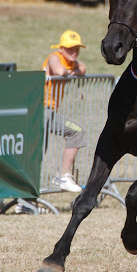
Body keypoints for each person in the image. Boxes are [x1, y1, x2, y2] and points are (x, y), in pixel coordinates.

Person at [42, 30, 87, 192]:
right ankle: (25, 197)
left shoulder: (70, 62)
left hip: (49, 112)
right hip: (39, 110)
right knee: (37, 153)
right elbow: (60, 71)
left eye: (77, 49)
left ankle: (63, 175)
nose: (74, 52)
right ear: (61, 48)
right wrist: (72, 71)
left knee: (77, 131)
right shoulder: (54, 57)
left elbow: (84, 67)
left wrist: (75, 70)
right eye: (70, 49)